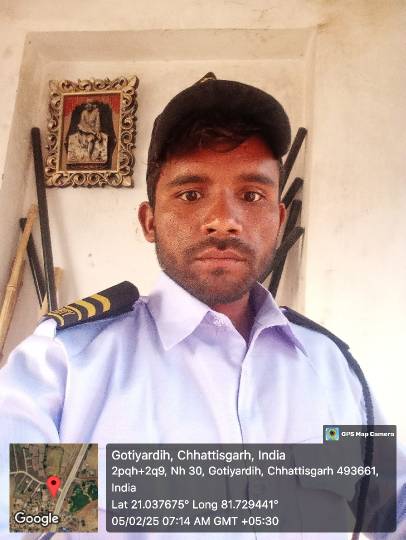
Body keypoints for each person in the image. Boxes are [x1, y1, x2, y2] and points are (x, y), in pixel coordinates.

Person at [0, 73, 404, 539]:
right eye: (191, 194)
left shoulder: (330, 366)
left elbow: (389, 506)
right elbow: (16, 512)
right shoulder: (64, 365)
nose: (223, 220)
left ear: (278, 219)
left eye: (251, 195)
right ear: (149, 221)